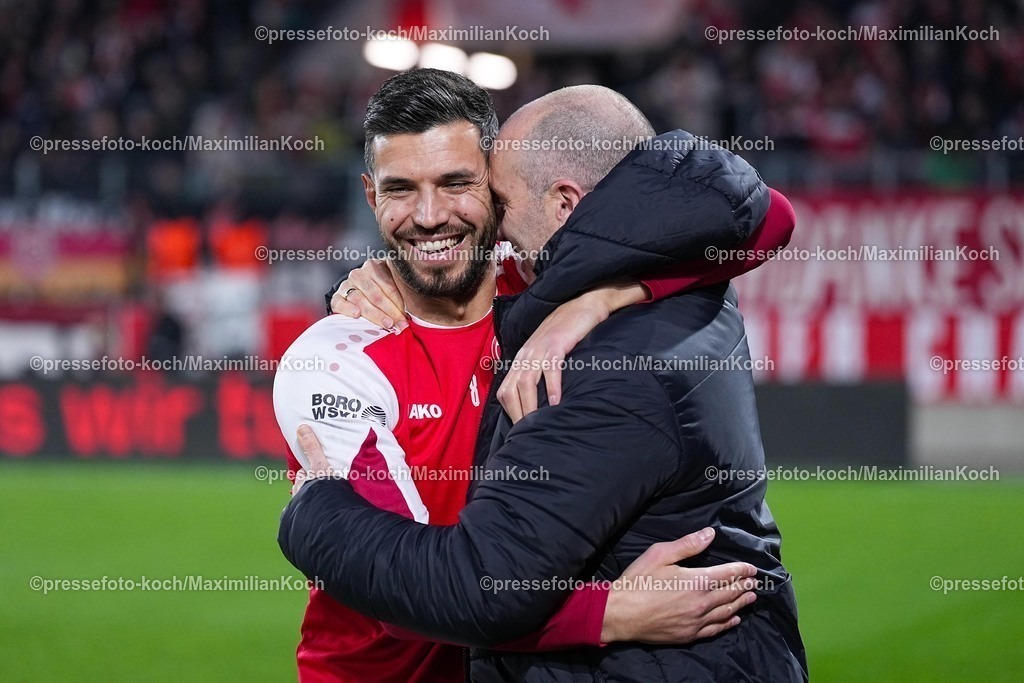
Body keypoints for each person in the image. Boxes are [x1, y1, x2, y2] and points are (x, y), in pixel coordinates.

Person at [275, 69, 802, 682]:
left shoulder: (546, 291)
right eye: (400, 189)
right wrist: (607, 613)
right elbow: (399, 591)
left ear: (496, 191)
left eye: (456, 184)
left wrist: (610, 293)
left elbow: (767, 219)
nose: (428, 214)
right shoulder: (338, 359)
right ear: (371, 197)